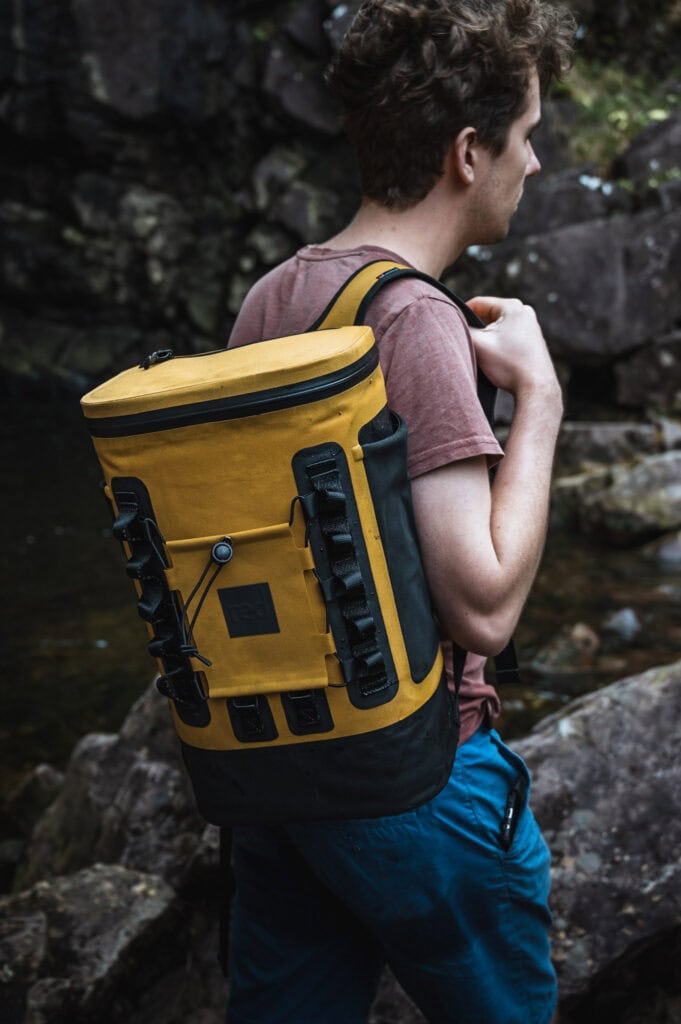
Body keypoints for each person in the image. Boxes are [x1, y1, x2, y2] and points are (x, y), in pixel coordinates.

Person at [225, 1, 575, 1021]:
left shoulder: (273, 296)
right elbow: (485, 606)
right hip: (414, 784)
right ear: (470, 152)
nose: (537, 165)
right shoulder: (416, 320)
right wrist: (541, 401)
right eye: (528, 138)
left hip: (283, 784)